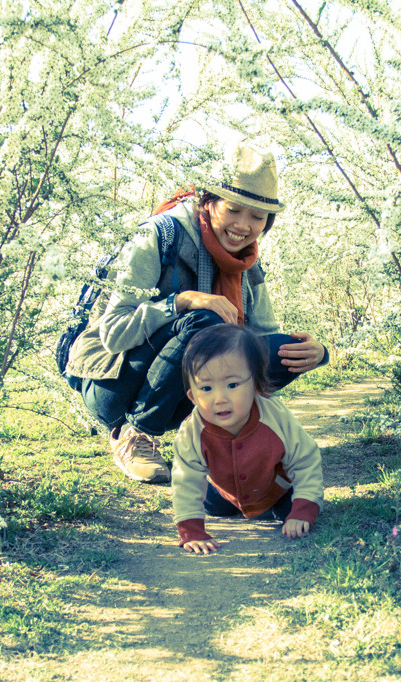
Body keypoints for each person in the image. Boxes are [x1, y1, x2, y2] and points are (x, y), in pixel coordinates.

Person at [63, 140, 328, 483]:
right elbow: (113, 333)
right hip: (114, 384)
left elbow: (260, 338)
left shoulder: (245, 261)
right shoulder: (158, 236)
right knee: (208, 323)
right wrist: (180, 302)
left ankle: (228, 439)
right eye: (233, 209)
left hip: (180, 385)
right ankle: (134, 434)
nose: (244, 226)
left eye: (257, 216)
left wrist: (317, 354)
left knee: (276, 349)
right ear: (208, 202)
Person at [171, 324, 323, 554]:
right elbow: (187, 479)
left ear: (257, 386)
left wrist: (304, 509)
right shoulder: (192, 431)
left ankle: (291, 507)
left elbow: (304, 460)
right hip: (222, 493)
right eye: (206, 388)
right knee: (215, 507)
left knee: (291, 513)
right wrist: (191, 529)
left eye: (232, 385)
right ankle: (223, 503)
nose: (219, 398)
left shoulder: (275, 417)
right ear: (192, 396)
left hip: (277, 491)